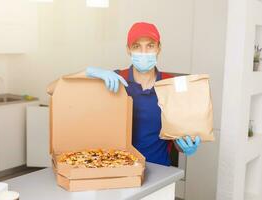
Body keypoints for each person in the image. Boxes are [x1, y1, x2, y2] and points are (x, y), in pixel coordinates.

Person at [86, 22, 201, 166]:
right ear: (128, 50)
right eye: (136, 46)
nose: (144, 52)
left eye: (150, 45)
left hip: (159, 171)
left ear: (159, 48)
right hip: (118, 169)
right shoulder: (116, 80)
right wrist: (88, 72)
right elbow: (52, 88)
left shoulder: (170, 84)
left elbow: (177, 140)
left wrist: (186, 146)